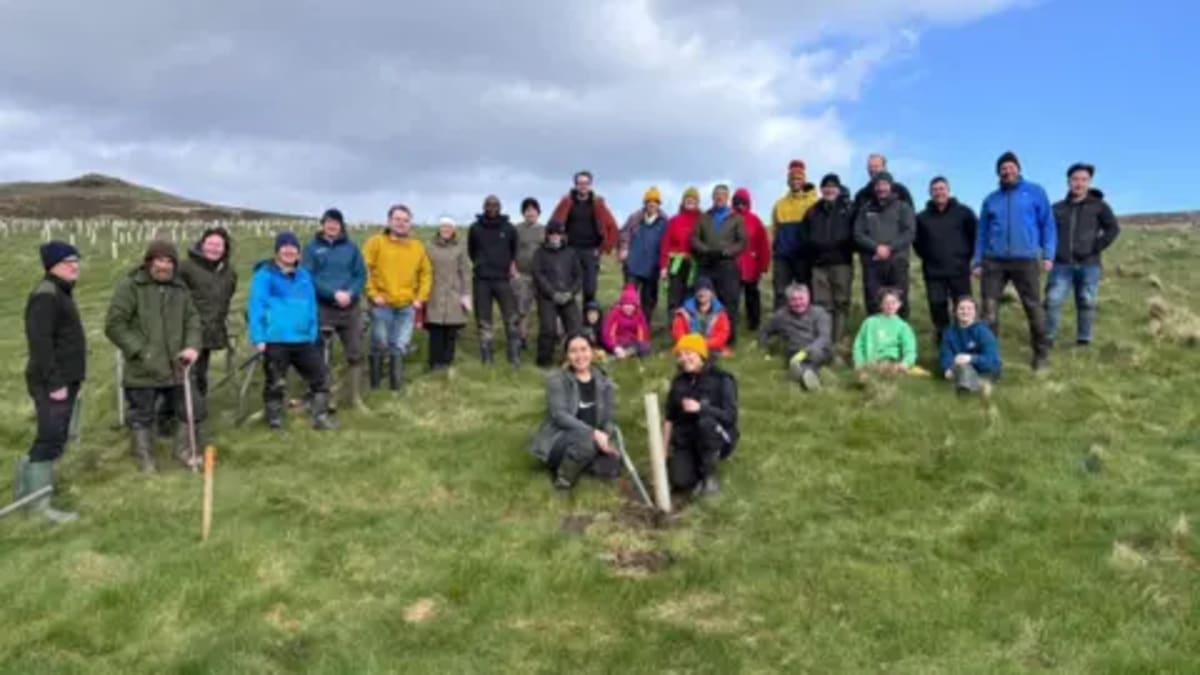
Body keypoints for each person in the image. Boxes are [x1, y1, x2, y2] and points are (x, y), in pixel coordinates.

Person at [105, 240, 203, 471]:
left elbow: (193, 320)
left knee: (190, 409)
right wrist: (141, 351)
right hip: (143, 367)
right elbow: (115, 324)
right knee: (142, 415)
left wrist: (192, 346)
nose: (164, 266)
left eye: (169, 261)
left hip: (178, 365)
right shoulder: (130, 286)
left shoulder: (180, 289)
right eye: (159, 260)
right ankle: (145, 460)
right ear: (149, 262)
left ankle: (183, 452)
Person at [15, 241, 85, 522]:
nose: (75, 265)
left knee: (54, 436)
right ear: (52, 265)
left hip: (65, 379)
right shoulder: (46, 295)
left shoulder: (60, 291)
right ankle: (39, 507)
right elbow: (41, 344)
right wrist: (55, 382)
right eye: (68, 261)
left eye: (76, 260)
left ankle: (26, 493)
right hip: (52, 382)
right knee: (50, 437)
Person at [973, 151, 1057, 371]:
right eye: (1003, 168)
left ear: (1018, 169)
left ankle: (1041, 356)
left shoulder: (1035, 193)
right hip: (994, 262)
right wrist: (977, 261)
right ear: (998, 173)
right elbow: (981, 233)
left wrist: (1048, 254)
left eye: (1011, 167)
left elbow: (1047, 224)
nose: (1007, 171)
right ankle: (990, 358)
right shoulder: (991, 200)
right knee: (989, 310)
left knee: (1033, 307)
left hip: (1026, 260)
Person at [248, 232, 336, 430]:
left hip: (304, 339)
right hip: (275, 338)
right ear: (277, 251)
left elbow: (311, 306)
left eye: (293, 247)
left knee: (320, 377)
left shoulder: (304, 276)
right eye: (284, 247)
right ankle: (274, 419)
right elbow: (257, 306)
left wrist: (312, 332)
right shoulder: (265, 275)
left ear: (298, 252)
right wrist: (259, 336)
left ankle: (320, 418)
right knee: (275, 381)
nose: (289, 251)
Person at [528, 332, 620, 492]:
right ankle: (563, 480)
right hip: (561, 440)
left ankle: (579, 463)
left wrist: (606, 435)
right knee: (585, 442)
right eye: (573, 351)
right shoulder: (557, 380)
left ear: (592, 352)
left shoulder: (604, 382)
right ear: (566, 355)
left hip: (592, 439)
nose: (579, 356)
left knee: (613, 465)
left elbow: (608, 417)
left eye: (584, 349)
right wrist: (593, 433)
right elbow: (559, 416)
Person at [1046, 162, 1121, 347]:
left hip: (1089, 264)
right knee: (1052, 300)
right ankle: (1048, 337)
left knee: (1086, 302)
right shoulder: (1057, 208)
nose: (1079, 183)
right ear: (1068, 182)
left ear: (1089, 182)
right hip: (1061, 264)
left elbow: (1113, 228)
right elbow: (1046, 232)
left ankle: (1083, 339)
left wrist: (1096, 246)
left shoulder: (1099, 206)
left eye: (1084, 180)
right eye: (1075, 179)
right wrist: (1048, 253)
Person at [301, 209, 367, 406]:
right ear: (323, 224)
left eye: (336, 223)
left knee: (355, 352)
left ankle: (355, 398)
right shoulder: (312, 249)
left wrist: (351, 293)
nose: (332, 226)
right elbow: (308, 276)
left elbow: (360, 275)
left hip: (350, 308)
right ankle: (321, 397)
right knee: (319, 354)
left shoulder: (351, 248)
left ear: (341, 225)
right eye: (329, 222)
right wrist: (333, 294)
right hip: (323, 308)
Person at [364, 204, 432, 389]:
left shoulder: (416, 247)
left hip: (407, 305)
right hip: (382, 304)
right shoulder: (376, 243)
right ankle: (375, 387)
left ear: (410, 223)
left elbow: (426, 273)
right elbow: (364, 270)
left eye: (405, 220)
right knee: (379, 344)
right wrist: (373, 293)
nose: (401, 223)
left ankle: (395, 387)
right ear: (389, 221)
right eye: (397, 219)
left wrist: (421, 297)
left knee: (399, 346)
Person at [664, 333, 739, 497]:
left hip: (717, 434)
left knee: (705, 422)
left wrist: (701, 408)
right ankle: (696, 470)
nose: (684, 358)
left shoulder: (722, 379)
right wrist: (664, 450)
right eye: (680, 355)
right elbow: (670, 417)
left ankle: (709, 476)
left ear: (701, 355)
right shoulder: (678, 382)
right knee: (680, 480)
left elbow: (730, 416)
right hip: (687, 440)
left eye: (688, 353)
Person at [914, 177, 977, 348]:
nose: (939, 192)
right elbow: (917, 244)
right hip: (933, 272)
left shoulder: (964, 212)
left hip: (960, 270)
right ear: (930, 193)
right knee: (937, 307)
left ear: (948, 191)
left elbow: (975, 236)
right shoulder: (921, 218)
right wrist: (929, 257)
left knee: (963, 307)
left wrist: (968, 258)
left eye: (942, 189)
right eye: (935, 189)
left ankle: (966, 340)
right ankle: (943, 342)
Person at [178, 226, 236, 399]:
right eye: (210, 243)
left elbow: (225, 300)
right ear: (202, 244)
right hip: (186, 332)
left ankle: (196, 414)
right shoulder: (185, 268)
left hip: (209, 331)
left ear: (225, 248)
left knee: (200, 374)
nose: (214, 248)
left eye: (219, 245)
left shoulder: (228, 273)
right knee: (184, 376)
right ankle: (183, 417)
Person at [549, 170, 620, 306]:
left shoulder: (598, 204)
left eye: (586, 183)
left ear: (590, 185)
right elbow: (554, 223)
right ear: (575, 185)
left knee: (590, 290)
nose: (583, 186)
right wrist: (557, 245)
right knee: (568, 286)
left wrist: (605, 248)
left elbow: (612, 226)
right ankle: (570, 322)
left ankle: (588, 322)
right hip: (570, 250)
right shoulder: (566, 202)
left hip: (590, 250)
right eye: (580, 183)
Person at [469, 195, 522, 366]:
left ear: (500, 207)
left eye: (495, 205)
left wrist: (507, 266)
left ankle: (514, 356)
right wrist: (481, 265)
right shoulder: (475, 228)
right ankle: (487, 357)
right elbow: (472, 252)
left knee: (512, 317)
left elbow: (514, 250)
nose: (492, 208)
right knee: (483, 319)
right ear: (484, 207)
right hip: (482, 280)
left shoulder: (509, 228)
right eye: (489, 205)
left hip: (503, 279)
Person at [803, 174, 856, 345]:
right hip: (819, 264)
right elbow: (804, 236)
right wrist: (813, 249)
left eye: (833, 186)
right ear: (821, 189)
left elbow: (856, 234)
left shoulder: (848, 209)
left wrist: (844, 246)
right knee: (821, 304)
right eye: (826, 186)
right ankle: (824, 340)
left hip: (842, 263)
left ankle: (838, 340)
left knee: (841, 302)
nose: (829, 189)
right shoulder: (812, 211)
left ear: (838, 189)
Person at [854, 171, 916, 319]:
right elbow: (858, 234)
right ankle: (876, 337)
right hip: (872, 263)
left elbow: (909, 232)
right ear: (874, 188)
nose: (881, 188)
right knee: (873, 300)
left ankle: (900, 336)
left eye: (884, 184)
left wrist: (889, 248)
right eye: (878, 185)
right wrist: (876, 248)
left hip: (897, 262)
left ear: (890, 186)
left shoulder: (903, 207)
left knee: (899, 300)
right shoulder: (865, 209)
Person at [691, 184, 747, 345]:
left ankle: (729, 339)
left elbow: (742, 241)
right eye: (716, 195)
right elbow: (694, 238)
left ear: (727, 198)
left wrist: (727, 252)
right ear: (712, 197)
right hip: (707, 263)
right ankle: (705, 337)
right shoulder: (704, 217)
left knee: (729, 301)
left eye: (722, 195)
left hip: (727, 264)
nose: (719, 197)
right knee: (704, 300)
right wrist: (706, 250)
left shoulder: (736, 218)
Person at [759, 283, 832, 391]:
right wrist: (765, 349)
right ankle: (808, 378)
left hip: (817, 349)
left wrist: (807, 351)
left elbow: (824, 337)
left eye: (801, 299)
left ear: (808, 297)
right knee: (794, 357)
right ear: (788, 301)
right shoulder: (781, 316)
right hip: (794, 351)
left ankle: (802, 374)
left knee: (815, 356)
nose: (798, 303)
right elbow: (764, 331)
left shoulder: (819, 313)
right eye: (794, 300)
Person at [532, 221, 583, 367]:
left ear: (562, 235)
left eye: (558, 234)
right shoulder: (540, 253)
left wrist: (571, 293)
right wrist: (552, 293)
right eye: (552, 234)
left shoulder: (570, 252)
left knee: (576, 329)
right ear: (547, 235)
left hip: (568, 296)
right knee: (548, 329)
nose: (555, 236)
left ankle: (573, 360)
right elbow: (538, 274)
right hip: (547, 297)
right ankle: (544, 362)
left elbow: (579, 276)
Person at [770, 160, 819, 310]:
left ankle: (806, 326)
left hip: (804, 256)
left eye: (799, 178)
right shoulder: (779, 204)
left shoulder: (814, 202)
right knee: (780, 292)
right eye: (792, 179)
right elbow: (774, 229)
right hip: (783, 256)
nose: (795, 181)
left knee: (805, 291)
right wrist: (775, 248)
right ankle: (780, 326)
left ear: (804, 180)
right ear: (788, 181)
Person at [425, 217, 471, 371]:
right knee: (436, 329)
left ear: (454, 230)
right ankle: (435, 362)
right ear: (439, 228)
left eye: (449, 227)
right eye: (444, 227)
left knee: (451, 330)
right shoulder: (430, 247)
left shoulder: (459, 248)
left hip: (454, 293)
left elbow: (465, 271)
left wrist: (466, 293)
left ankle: (447, 361)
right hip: (434, 292)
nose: (446, 230)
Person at [619, 186, 667, 323]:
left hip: (652, 266)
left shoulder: (664, 221)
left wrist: (664, 265)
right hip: (633, 265)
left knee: (649, 299)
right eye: (649, 201)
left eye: (655, 201)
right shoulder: (635, 218)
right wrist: (624, 248)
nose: (652, 204)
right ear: (645, 203)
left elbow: (667, 243)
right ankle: (625, 324)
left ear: (658, 204)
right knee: (629, 297)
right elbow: (624, 233)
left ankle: (644, 327)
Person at [940, 296, 1001, 396]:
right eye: (961, 308)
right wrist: (947, 368)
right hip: (960, 367)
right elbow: (946, 354)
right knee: (962, 368)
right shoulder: (949, 332)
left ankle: (967, 388)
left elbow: (992, 359)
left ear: (975, 313)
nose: (965, 312)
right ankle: (977, 385)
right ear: (955, 312)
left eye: (969, 309)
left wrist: (971, 359)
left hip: (985, 368)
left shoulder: (983, 331)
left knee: (967, 369)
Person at [852, 287, 917, 374]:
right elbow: (858, 345)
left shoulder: (903, 327)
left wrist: (906, 363)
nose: (890, 306)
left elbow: (910, 349)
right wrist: (859, 362)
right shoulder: (869, 322)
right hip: (870, 362)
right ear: (881, 305)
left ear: (899, 304)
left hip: (891, 362)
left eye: (893, 302)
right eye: (886, 303)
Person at [660, 186, 702, 320]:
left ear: (697, 203)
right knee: (674, 297)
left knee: (691, 297)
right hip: (676, 264)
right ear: (683, 201)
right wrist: (663, 266)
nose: (690, 201)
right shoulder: (674, 220)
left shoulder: (702, 220)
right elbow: (665, 244)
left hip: (694, 264)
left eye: (693, 200)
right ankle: (674, 327)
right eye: (687, 199)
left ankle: (690, 328)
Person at [734, 187, 770, 332]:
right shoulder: (729, 219)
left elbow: (763, 245)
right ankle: (730, 323)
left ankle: (754, 324)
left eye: (743, 202)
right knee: (732, 296)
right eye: (737, 202)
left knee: (752, 296)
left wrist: (763, 265)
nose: (740, 205)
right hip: (733, 265)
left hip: (751, 266)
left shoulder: (755, 221)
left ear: (748, 203)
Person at [513, 197, 545, 352]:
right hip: (522, 275)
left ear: (538, 213)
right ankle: (521, 338)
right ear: (523, 213)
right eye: (527, 210)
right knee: (521, 309)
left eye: (533, 210)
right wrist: (513, 272)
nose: (530, 213)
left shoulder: (544, 230)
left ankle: (546, 339)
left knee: (544, 309)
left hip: (541, 277)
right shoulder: (516, 230)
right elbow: (509, 252)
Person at [671, 277, 732, 357]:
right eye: (699, 290)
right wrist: (692, 344)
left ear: (711, 293)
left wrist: (704, 344)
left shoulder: (720, 312)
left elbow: (722, 335)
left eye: (706, 290)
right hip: (689, 346)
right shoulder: (684, 312)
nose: (702, 293)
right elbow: (678, 333)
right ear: (695, 293)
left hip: (712, 347)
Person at [852, 153, 914, 217]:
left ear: (884, 168)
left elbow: (911, 218)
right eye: (870, 167)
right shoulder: (861, 195)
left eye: (876, 166)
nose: (872, 170)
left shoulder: (900, 191)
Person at [601, 284, 652, 359]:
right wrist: (615, 347)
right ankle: (622, 353)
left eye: (631, 304)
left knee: (645, 346)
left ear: (635, 305)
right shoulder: (614, 314)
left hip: (633, 342)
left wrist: (641, 343)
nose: (628, 307)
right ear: (621, 304)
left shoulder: (639, 314)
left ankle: (628, 353)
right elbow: (608, 333)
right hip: (617, 342)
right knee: (611, 347)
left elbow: (643, 333)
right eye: (626, 304)